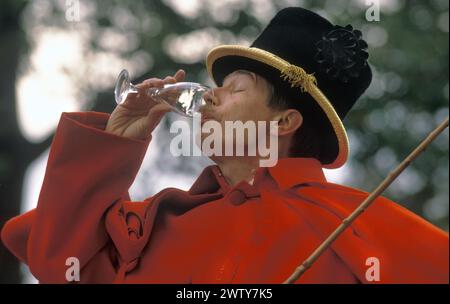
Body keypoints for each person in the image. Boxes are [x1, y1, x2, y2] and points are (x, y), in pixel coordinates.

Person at [1, 7, 448, 284]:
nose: (211, 95)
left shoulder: (359, 226)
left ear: (285, 120)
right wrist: (113, 147)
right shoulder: (153, 224)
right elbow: (56, 263)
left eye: (236, 88)